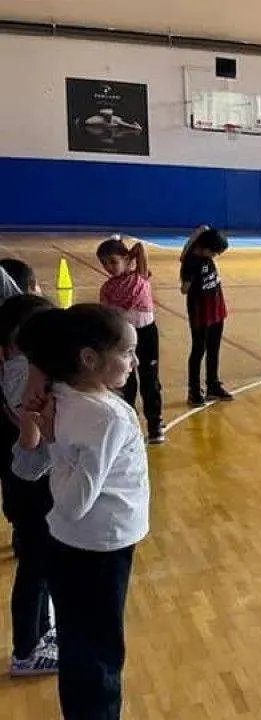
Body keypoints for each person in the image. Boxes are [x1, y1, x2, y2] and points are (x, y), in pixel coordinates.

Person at [17, 304, 150, 720]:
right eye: (126, 353)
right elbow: (73, 503)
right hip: (97, 548)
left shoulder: (64, 394)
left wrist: (55, 442)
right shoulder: (106, 417)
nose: (134, 361)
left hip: (77, 544)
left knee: (80, 643)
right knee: (98, 652)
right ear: (89, 358)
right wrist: (55, 447)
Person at [0, 294, 57, 678]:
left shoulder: (20, 364)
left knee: (39, 564)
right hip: (32, 485)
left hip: (27, 484)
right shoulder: (23, 371)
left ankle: (40, 633)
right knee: (36, 567)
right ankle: (25, 651)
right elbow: (31, 437)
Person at [97, 237, 164, 443]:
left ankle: (155, 423)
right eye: (104, 263)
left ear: (127, 260)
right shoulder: (107, 289)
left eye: (113, 261)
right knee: (127, 382)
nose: (109, 267)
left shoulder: (140, 276)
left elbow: (139, 247)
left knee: (150, 380)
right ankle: (130, 425)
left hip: (146, 334)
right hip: (123, 339)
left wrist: (128, 257)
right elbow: (107, 316)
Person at [180, 226, 233, 407]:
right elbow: (184, 289)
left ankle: (213, 385)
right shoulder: (191, 262)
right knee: (198, 350)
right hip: (200, 311)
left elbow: (203, 228)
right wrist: (190, 279)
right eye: (214, 252)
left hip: (216, 308)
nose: (215, 256)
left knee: (213, 349)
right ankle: (194, 390)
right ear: (205, 247)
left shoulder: (205, 256)